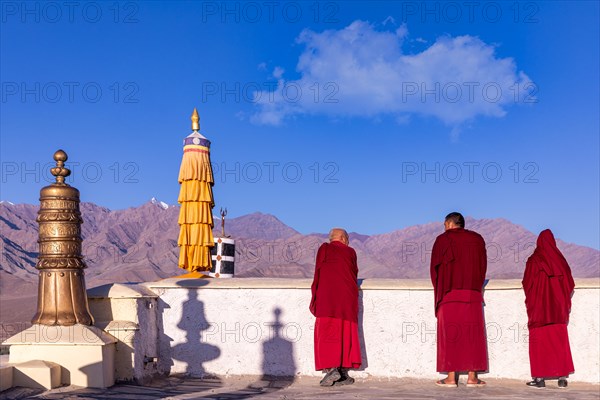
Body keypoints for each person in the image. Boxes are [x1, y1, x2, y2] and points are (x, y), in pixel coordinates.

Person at [430, 212, 488, 388]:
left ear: (449, 224)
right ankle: (472, 377)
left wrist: (440, 290)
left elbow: (435, 269)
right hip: (472, 294)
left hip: (449, 295)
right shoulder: (477, 239)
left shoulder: (442, 240)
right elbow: (482, 266)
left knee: (450, 337)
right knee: (473, 336)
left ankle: (450, 378)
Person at [522, 229, 575, 389]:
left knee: (539, 344)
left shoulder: (533, 260)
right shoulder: (561, 261)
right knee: (559, 343)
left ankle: (539, 379)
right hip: (557, 312)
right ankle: (562, 379)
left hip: (539, 311)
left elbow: (526, 283)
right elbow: (570, 284)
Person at [309, 228, 361, 386]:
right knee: (346, 332)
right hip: (346, 299)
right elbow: (354, 273)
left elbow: (317, 273)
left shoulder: (324, 250)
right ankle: (343, 371)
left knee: (327, 332)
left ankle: (332, 370)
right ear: (344, 239)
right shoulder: (350, 252)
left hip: (327, 299)